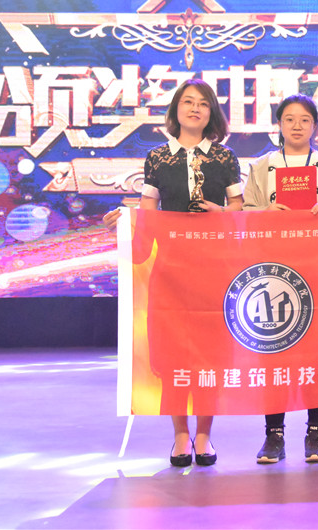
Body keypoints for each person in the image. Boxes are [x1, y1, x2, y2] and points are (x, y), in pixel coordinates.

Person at [103, 78, 244, 467]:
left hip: (214, 269)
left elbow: (239, 210)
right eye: (188, 102)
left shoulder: (225, 157)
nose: (195, 108)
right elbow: (148, 216)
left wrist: (221, 213)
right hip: (170, 271)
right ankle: (181, 434)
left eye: (203, 103)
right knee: (172, 355)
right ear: (176, 110)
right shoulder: (157, 158)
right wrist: (124, 223)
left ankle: (205, 435)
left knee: (210, 355)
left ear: (212, 113)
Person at [243, 94, 318, 464]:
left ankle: (316, 433)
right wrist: (267, 211)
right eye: (289, 119)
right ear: (279, 125)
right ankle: (273, 435)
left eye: (305, 119)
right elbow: (247, 212)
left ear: (315, 126)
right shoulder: (262, 166)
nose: (297, 125)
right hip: (274, 268)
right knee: (274, 350)